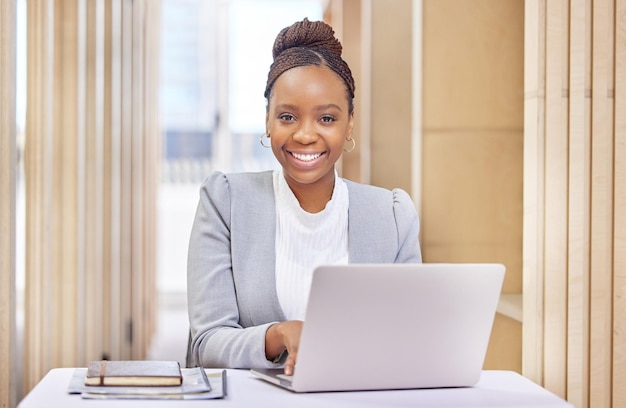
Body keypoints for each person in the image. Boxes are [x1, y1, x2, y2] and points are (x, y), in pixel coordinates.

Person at [187, 18, 422, 375]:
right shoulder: (226, 202)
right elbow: (206, 342)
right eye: (287, 116)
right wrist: (278, 335)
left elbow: (412, 336)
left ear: (349, 124)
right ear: (267, 120)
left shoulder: (392, 215)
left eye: (326, 119)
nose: (305, 135)